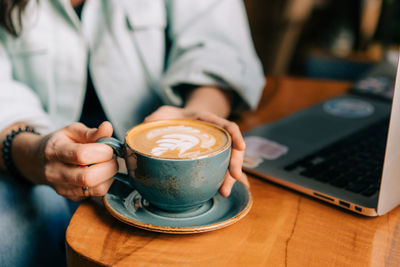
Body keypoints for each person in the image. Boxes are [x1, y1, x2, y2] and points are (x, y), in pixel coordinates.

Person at [0, 0, 265, 265]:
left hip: (159, 150)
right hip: (31, 156)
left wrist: (197, 114)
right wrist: (32, 154)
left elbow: (220, 46)